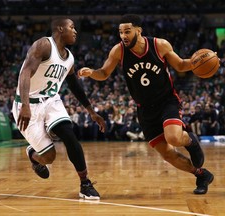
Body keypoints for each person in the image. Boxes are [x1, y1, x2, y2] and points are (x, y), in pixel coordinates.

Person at [78, 14, 214, 194]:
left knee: (173, 137)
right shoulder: (118, 51)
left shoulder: (159, 45)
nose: (123, 36)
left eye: (127, 31)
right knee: (167, 154)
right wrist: (91, 73)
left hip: (167, 101)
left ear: (138, 30)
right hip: (144, 109)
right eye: (120, 32)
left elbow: (181, 65)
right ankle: (201, 175)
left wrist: (203, 61)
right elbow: (103, 73)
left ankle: (191, 141)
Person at [11, 17, 106, 200]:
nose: (75, 31)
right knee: (49, 157)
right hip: (27, 104)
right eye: (72, 27)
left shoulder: (69, 57)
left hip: (51, 102)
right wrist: (24, 104)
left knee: (70, 137)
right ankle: (33, 155)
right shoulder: (44, 45)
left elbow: (74, 85)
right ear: (61, 29)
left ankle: (85, 184)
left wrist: (91, 112)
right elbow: (25, 73)